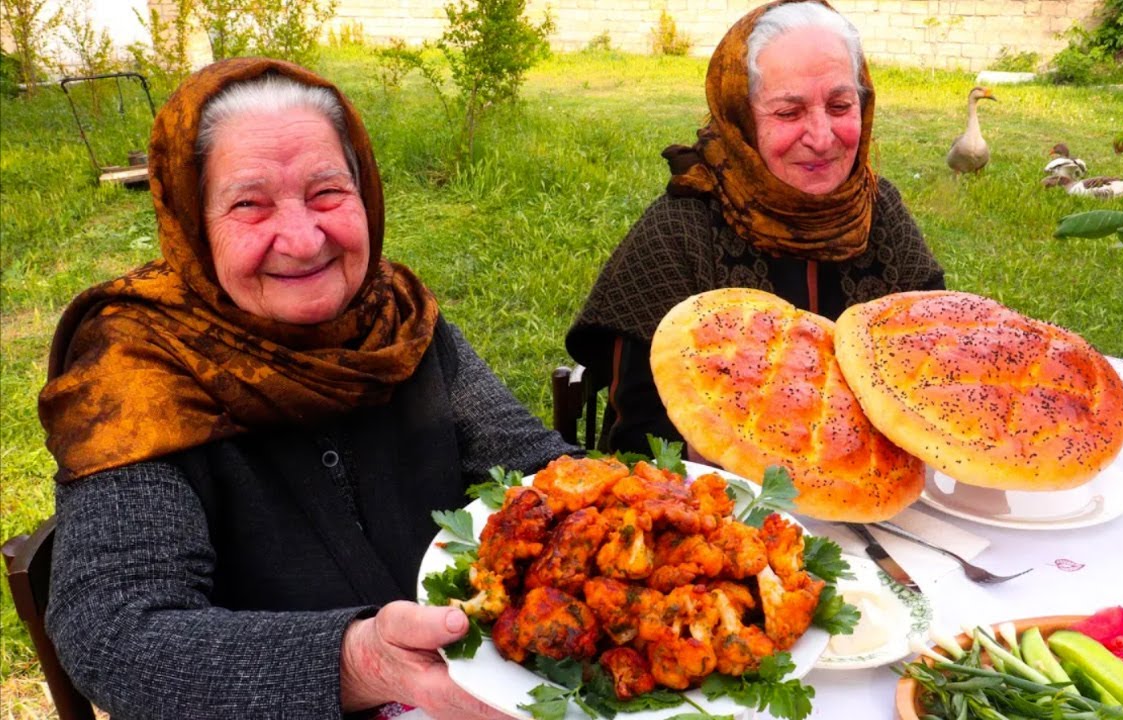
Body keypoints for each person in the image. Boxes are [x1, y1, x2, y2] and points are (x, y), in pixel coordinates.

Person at [37, 57, 578, 719]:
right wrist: (360, 662)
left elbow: (539, 471)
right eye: (248, 204)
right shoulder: (134, 372)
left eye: (327, 193)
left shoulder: (396, 319)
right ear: (193, 222)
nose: (301, 239)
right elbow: (117, 633)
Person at [566, 0, 946, 455]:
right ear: (741, 118)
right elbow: (642, 439)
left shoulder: (881, 212)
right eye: (789, 113)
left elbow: (938, 377)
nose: (822, 137)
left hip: (873, 481)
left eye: (840, 105)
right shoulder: (681, 231)